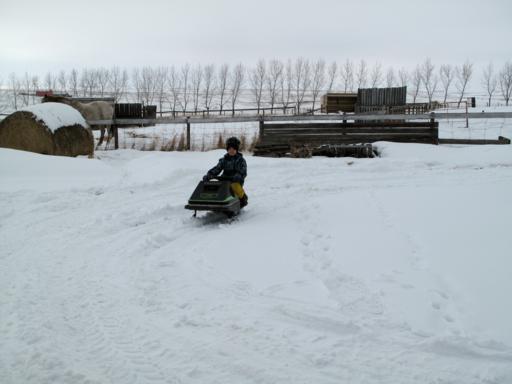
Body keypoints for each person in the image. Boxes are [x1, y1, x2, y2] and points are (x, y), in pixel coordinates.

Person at [203, 137, 248, 208]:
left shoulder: (241, 160)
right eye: (229, 149)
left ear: (236, 149)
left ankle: (243, 198)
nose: (231, 151)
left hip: (235, 180)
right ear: (227, 150)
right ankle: (213, 200)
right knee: (214, 185)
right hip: (224, 179)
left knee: (234, 186)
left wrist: (239, 175)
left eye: (233, 149)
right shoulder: (224, 160)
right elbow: (217, 168)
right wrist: (210, 174)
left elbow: (243, 171)